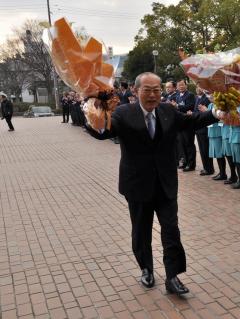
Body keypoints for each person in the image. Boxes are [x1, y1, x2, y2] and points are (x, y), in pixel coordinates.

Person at [85, 72, 222, 293]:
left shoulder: (168, 111)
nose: (152, 95)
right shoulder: (123, 113)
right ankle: (146, 269)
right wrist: (92, 109)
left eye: (157, 90)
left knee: (171, 229)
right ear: (136, 91)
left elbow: (191, 121)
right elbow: (103, 132)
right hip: (137, 185)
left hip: (165, 184)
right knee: (141, 231)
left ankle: (172, 276)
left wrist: (217, 112)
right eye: (147, 90)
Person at [171, 80, 196, 171]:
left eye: (182, 85)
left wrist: (177, 106)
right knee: (182, 144)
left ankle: (191, 164)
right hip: (180, 122)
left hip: (188, 122)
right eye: (179, 85)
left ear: (186, 86)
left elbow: (190, 106)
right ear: (177, 87)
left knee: (189, 143)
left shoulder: (190, 95)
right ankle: (185, 162)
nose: (181, 87)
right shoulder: (177, 96)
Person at [192, 87, 214, 175]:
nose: (198, 89)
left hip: (205, 126)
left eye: (200, 87)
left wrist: (198, 113)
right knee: (201, 149)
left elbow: (208, 112)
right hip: (198, 126)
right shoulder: (197, 97)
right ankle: (205, 167)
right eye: (196, 87)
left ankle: (209, 168)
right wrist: (193, 114)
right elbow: (195, 110)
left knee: (206, 148)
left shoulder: (207, 98)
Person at [204, 95, 227, 180]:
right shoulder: (210, 105)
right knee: (216, 154)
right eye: (209, 97)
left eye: (212, 97)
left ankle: (223, 173)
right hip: (211, 131)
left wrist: (207, 112)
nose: (210, 98)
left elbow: (221, 118)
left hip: (218, 131)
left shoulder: (220, 105)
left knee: (219, 153)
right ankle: (221, 172)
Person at [228, 92, 240, 189]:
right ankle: (239, 180)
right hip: (233, 136)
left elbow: (237, 122)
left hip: (239, 137)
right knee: (235, 160)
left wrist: (227, 118)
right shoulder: (234, 108)